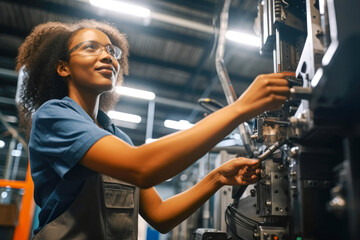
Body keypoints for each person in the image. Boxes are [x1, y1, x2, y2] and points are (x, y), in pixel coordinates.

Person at [16, 20, 290, 240]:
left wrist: (217, 178)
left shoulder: (116, 137)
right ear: (63, 67)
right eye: (91, 47)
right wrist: (239, 109)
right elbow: (142, 167)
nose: (107, 56)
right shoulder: (53, 116)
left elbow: (160, 216)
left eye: (112, 51)